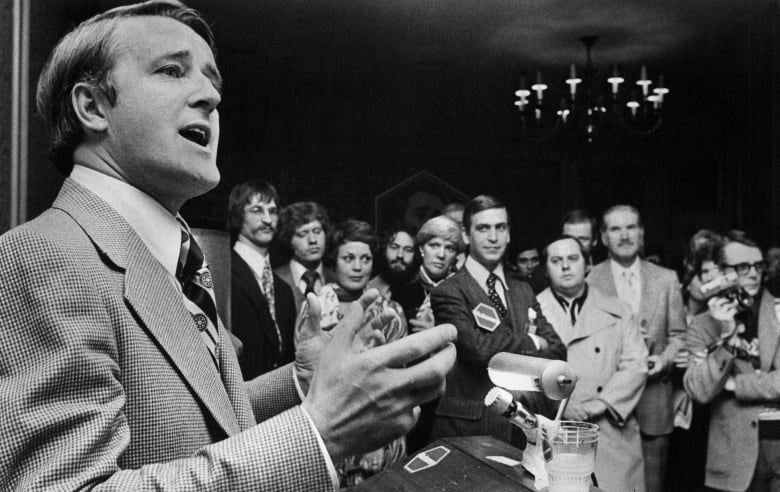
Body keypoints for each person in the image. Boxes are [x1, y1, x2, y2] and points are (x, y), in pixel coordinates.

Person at [0, 3, 456, 489]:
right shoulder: (42, 257)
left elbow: (204, 422)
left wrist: (305, 382)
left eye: (212, 80)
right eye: (172, 70)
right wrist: (319, 432)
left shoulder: (174, 259)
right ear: (93, 107)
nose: (210, 96)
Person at [430, 195, 566, 449]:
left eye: (500, 227)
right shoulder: (449, 291)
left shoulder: (522, 290)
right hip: (471, 427)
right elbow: (479, 350)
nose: (493, 237)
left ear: (509, 234)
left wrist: (521, 346)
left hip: (525, 424)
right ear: (467, 235)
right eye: (483, 228)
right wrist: (532, 341)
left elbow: (558, 350)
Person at [296, 219, 408, 487]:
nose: (358, 267)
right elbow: (308, 379)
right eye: (349, 258)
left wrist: (376, 441)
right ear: (335, 261)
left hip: (381, 427)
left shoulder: (391, 312)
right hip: (330, 427)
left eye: (365, 258)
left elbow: (393, 383)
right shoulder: (315, 307)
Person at [587, 204, 687, 492]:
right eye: (615, 229)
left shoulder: (666, 278)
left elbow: (679, 334)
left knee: (653, 486)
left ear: (641, 233)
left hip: (654, 401)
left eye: (630, 227)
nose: (624, 235)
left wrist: (664, 360)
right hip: (607, 402)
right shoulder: (591, 280)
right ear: (604, 237)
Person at [537, 236, 648, 492]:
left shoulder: (619, 310)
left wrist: (600, 403)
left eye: (573, 259)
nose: (565, 266)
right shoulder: (532, 311)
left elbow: (636, 362)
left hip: (610, 429)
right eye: (556, 261)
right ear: (546, 269)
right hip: (556, 430)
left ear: (588, 264)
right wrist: (563, 404)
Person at [684, 232, 780, 492]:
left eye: (758, 265)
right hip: (733, 456)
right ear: (721, 272)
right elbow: (699, 391)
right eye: (742, 267)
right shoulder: (703, 326)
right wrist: (726, 341)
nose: (753, 273)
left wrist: (735, 385)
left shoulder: (778, 312)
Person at [393, 215, 465, 452]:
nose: (441, 254)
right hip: (409, 392)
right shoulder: (400, 291)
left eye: (449, 248)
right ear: (422, 249)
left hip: (451, 395)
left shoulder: (462, 293)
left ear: (456, 255)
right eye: (434, 245)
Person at [228, 179, 298, 378]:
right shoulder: (221, 274)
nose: (268, 219)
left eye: (273, 211)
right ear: (238, 214)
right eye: (257, 210)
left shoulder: (283, 289)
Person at [275, 201, 331, 315]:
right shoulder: (275, 279)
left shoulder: (337, 279)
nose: (313, 240)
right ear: (288, 240)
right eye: (302, 234)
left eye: (317, 231)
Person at [367, 226, 417, 300]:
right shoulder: (369, 288)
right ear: (384, 249)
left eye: (408, 250)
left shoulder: (421, 291)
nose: (400, 255)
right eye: (394, 247)